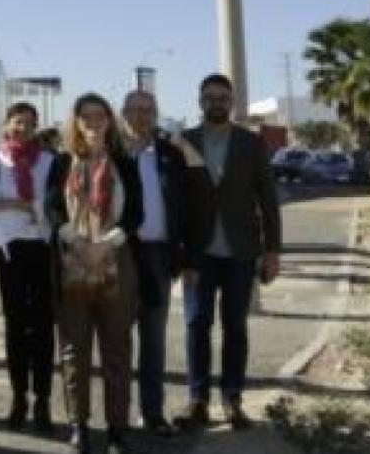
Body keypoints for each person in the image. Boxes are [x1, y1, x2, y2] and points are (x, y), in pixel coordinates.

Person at [175, 74, 282, 431]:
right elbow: (176, 205)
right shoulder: (184, 142)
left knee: (235, 326)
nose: (216, 103)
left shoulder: (251, 143)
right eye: (210, 98)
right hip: (197, 254)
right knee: (196, 325)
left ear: (232, 102)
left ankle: (232, 400)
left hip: (240, 252)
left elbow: (268, 199)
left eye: (222, 97)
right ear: (200, 101)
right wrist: (180, 255)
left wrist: (272, 251)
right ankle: (198, 401)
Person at [47, 93, 143, 454]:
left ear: (109, 120)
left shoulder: (124, 162)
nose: (92, 122)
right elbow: (53, 208)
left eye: (99, 115)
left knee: (117, 348)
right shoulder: (61, 163)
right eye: (85, 116)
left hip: (116, 261)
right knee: (74, 349)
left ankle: (118, 427)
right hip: (73, 263)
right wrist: (77, 242)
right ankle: (79, 425)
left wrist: (106, 243)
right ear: (75, 122)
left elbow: (136, 214)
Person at [121, 91, 204, 436]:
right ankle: (116, 417)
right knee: (117, 341)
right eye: (135, 110)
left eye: (148, 110)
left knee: (153, 340)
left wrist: (188, 258)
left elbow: (186, 211)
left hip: (159, 256)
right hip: (120, 255)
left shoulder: (171, 155)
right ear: (123, 113)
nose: (142, 116)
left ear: (156, 115)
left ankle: (152, 412)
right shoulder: (111, 155)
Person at [0, 101, 57, 433]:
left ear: (36, 126)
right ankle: (18, 397)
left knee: (42, 325)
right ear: (7, 125)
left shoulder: (51, 162)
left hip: (42, 248)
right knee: (15, 325)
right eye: (16, 121)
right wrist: (22, 204)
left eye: (28, 122)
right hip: (8, 251)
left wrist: (14, 205)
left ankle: (42, 399)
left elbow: (52, 206)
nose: (21, 127)